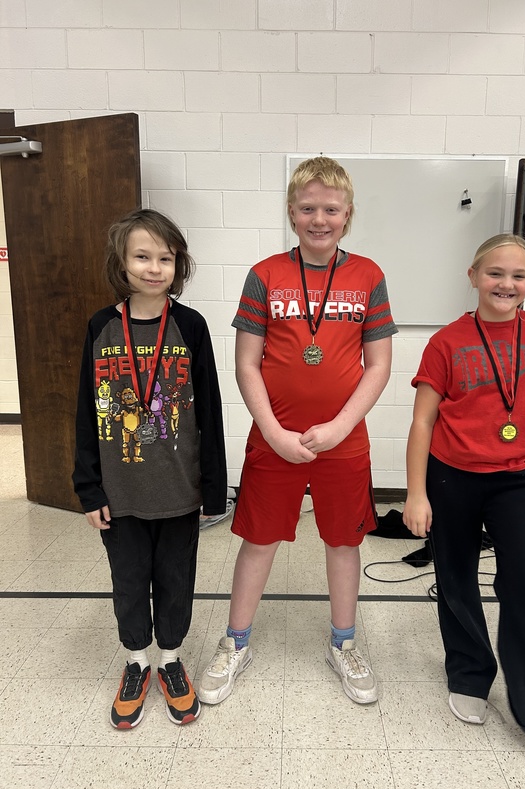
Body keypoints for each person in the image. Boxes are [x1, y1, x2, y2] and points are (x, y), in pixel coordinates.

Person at [197, 156, 397, 706]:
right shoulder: (264, 275)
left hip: (343, 440)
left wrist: (338, 427)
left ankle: (344, 642)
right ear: (291, 212)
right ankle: (236, 643)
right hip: (274, 439)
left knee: (343, 541)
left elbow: (378, 366)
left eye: (330, 209)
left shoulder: (368, 276)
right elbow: (247, 364)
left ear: (348, 215)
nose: (319, 219)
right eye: (307, 208)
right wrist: (275, 431)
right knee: (258, 541)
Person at [402, 234, 525, 762]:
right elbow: (423, 420)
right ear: (473, 275)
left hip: (522, 479)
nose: (506, 284)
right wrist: (415, 493)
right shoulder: (448, 342)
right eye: (495, 273)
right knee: (455, 580)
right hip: (453, 476)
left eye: (518, 276)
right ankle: (470, 674)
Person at [73, 208, 227, 729]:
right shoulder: (101, 326)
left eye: (166, 257)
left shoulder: (190, 325)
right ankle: (137, 660)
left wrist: (214, 486)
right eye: (143, 256)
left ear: (178, 264)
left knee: (175, 577)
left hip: (179, 488)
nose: (154, 267)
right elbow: (84, 413)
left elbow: (209, 407)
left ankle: (171, 659)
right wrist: (89, 489)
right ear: (122, 261)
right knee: (130, 578)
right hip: (121, 491)